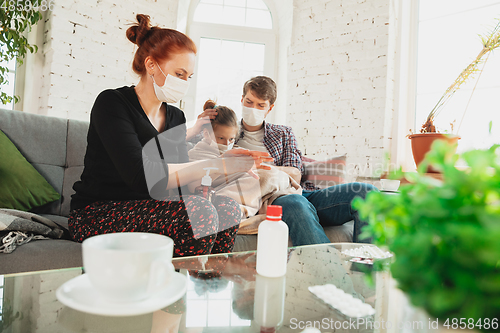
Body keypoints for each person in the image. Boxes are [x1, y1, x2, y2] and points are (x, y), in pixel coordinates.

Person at [68, 14, 271, 257]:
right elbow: (141, 177)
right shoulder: (112, 103)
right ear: (151, 65)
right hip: (98, 211)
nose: (185, 82)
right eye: (179, 74)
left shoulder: (176, 117)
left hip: (152, 209)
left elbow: (182, 184)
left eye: (189, 77)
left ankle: (206, 286)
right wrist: (215, 165)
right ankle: (176, 288)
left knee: (227, 208)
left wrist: (230, 166)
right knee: (199, 211)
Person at [233, 76, 378, 245]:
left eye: (260, 105)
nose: (253, 109)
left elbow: (295, 173)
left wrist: (255, 166)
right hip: (272, 200)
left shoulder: (282, 133)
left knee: (368, 192)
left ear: (270, 108)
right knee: (295, 203)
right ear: (242, 100)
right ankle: (329, 270)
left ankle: (365, 269)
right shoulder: (226, 133)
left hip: (298, 192)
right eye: (249, 102)